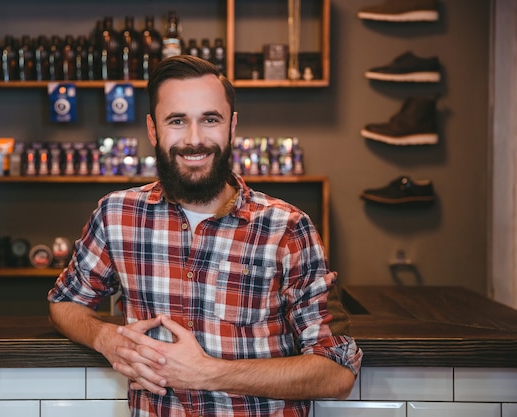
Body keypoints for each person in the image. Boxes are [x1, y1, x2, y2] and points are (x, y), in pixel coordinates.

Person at [47, 55, 362, 416]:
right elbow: (64, 303)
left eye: (210, 119)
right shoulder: (117, 216)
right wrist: (106, 339)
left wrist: (208, 373)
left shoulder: (287, 228)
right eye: (177, 121)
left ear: (232, 126)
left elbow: (337, 372)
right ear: (153, 130)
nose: (194, 140)